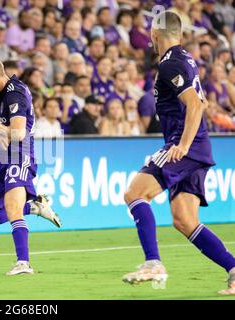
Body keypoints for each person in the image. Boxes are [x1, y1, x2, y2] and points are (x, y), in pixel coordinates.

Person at [122, 11, 235, 295]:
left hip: (185, 144)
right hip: (198, 144)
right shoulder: (185, 58)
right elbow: (202, 101)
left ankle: (153, 263)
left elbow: (196, 105)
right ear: (180, 34)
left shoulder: (171, 63)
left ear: (154, 33)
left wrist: (182, 144)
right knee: (184, 219)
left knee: (134, 194)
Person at [0, 56, 61, 275]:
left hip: (20, 154)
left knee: (12, 207)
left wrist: (1, 130)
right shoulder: (4, 93)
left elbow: (19, 133)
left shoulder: (15, 93)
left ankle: (23, 263)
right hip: (1, 158)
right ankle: (32, 207)